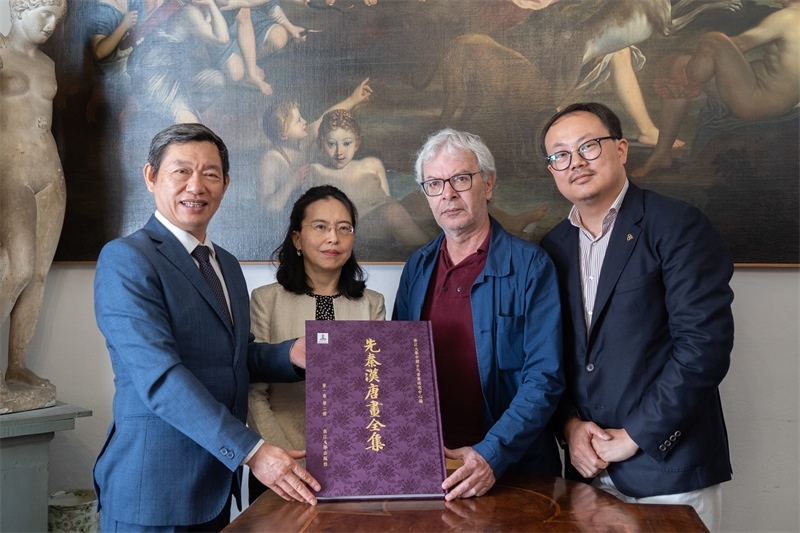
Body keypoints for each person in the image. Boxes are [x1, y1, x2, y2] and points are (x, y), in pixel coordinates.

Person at [93, 123, 320, 531]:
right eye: (181, 171)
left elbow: (233, 357)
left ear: (226, 184)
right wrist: (252, 451)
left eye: (210, 174)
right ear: (151, 176)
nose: (196, 186)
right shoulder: (127, 259)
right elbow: (160, 377)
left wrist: (289, 354)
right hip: (153, 493)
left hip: (215, 488)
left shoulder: (226, 264)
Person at [538, 102, 734, 531]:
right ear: (552, 170)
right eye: (561, 155)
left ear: (622, 149)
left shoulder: (677, 225)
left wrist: (634, 437)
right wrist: (570, 427)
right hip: (587, 475)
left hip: (668, 470)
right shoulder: (551, 248)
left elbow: (704, 348)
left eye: (589, 146)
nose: (576, 162)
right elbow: (548, 357)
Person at [392, 128, 564, 501]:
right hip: (433, 468)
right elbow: (400, 369)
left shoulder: (532, 266)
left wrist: (491, 454)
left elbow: (544, 378)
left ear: (488, 184)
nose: (448, 194)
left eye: (460, 179)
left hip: (515, 469)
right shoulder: (417, 267)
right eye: (434, 184)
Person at [247, 184, 386, 502]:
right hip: (280, 466)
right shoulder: (265, 300)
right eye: (320, 227)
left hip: (353, 464)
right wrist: (284, 459)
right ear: (297, 239)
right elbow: (254, 393)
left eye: (344, 228)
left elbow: (374, 388)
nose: (333, 238)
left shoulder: (372, 304)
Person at [632, 0, 800, 178]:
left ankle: (690, 83)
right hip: (769, 98)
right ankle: (662, 153)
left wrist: (701, 59)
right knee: (679, 64)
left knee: (713, 40)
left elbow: (741, 44)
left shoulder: (787, 17)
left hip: (755, 101)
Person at [0, 0, 67, 398]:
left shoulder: (48, 64)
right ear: (19, 9)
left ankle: (17, 365)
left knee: (39, 275)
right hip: (10, 169)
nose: (51, 25)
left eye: (57, 18)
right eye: (44, 14)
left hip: (49, 170)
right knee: (17, 270)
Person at [309, 109, 431, 251]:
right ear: (321, 143)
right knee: (393, 212)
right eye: (331, 144)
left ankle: (427, 236)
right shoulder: (316, 171)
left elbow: (388, 198)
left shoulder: (372, 164)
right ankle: (431, 249)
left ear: (357, 143)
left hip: (389, 214)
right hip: (362, 226)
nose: (339, 151)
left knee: (422, 198)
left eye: (347, 143)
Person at [259, 78, 372, 211]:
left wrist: (353, 99)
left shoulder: (302, 143)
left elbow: (324, 118)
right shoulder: (271, 160)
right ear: (283, 135)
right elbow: (266, 207)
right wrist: (293, 183)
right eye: (298, 121)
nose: (305, 122)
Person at [218, 0, 307, 95]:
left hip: (250, 18)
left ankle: (248, 64)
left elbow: (270, 5)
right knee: (236, 73)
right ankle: (249, 68)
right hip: (222, 26)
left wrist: (292, 28)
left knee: (278, 36)